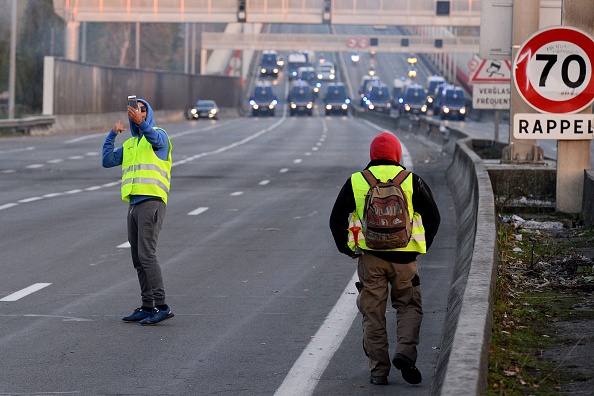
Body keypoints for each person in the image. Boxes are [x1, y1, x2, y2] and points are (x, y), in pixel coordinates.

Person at [329, 131, 440, 386]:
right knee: (409, 306)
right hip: (405, 259)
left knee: (373, 312)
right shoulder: (411, 180)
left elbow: (336, 220)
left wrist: (347, 248)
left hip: (371, 258)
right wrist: (421, 247)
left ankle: (379, 371)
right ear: (397, 154)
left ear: (372, 155)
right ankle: (404, 354)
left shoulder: (357, 181)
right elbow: (434, 217)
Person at [102, 98, 174, 326]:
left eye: (142, 110)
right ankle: (146, 306)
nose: (138, 112)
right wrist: (112, 135)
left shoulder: (159, 135)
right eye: (135, 109)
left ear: (148, 113)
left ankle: (162, 306)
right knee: (137, 258)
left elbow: (152, 136)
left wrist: (142, 123)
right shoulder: (132, 144)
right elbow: (107, 160)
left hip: (152, 202)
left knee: (147, 255)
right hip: (133, 205)